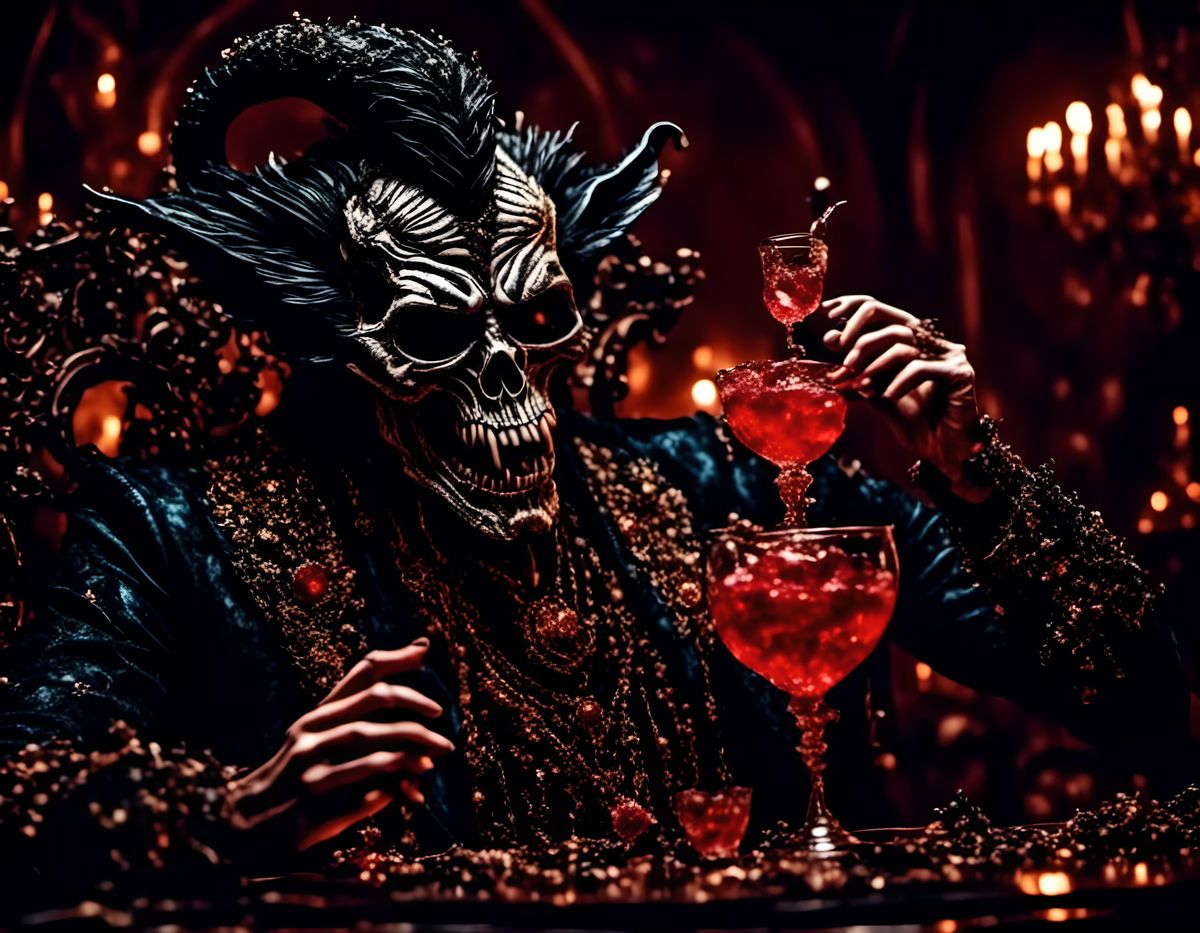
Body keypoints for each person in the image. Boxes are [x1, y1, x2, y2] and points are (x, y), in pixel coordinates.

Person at [0, 17, 1188, 904]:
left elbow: (1136, 693)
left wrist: (973, 467)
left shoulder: (726, 487)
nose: (506, 377)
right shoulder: (176, 529)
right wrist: (237, 811)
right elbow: (21, 806)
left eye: (535, 317)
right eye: (435, 328)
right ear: (333, 338)